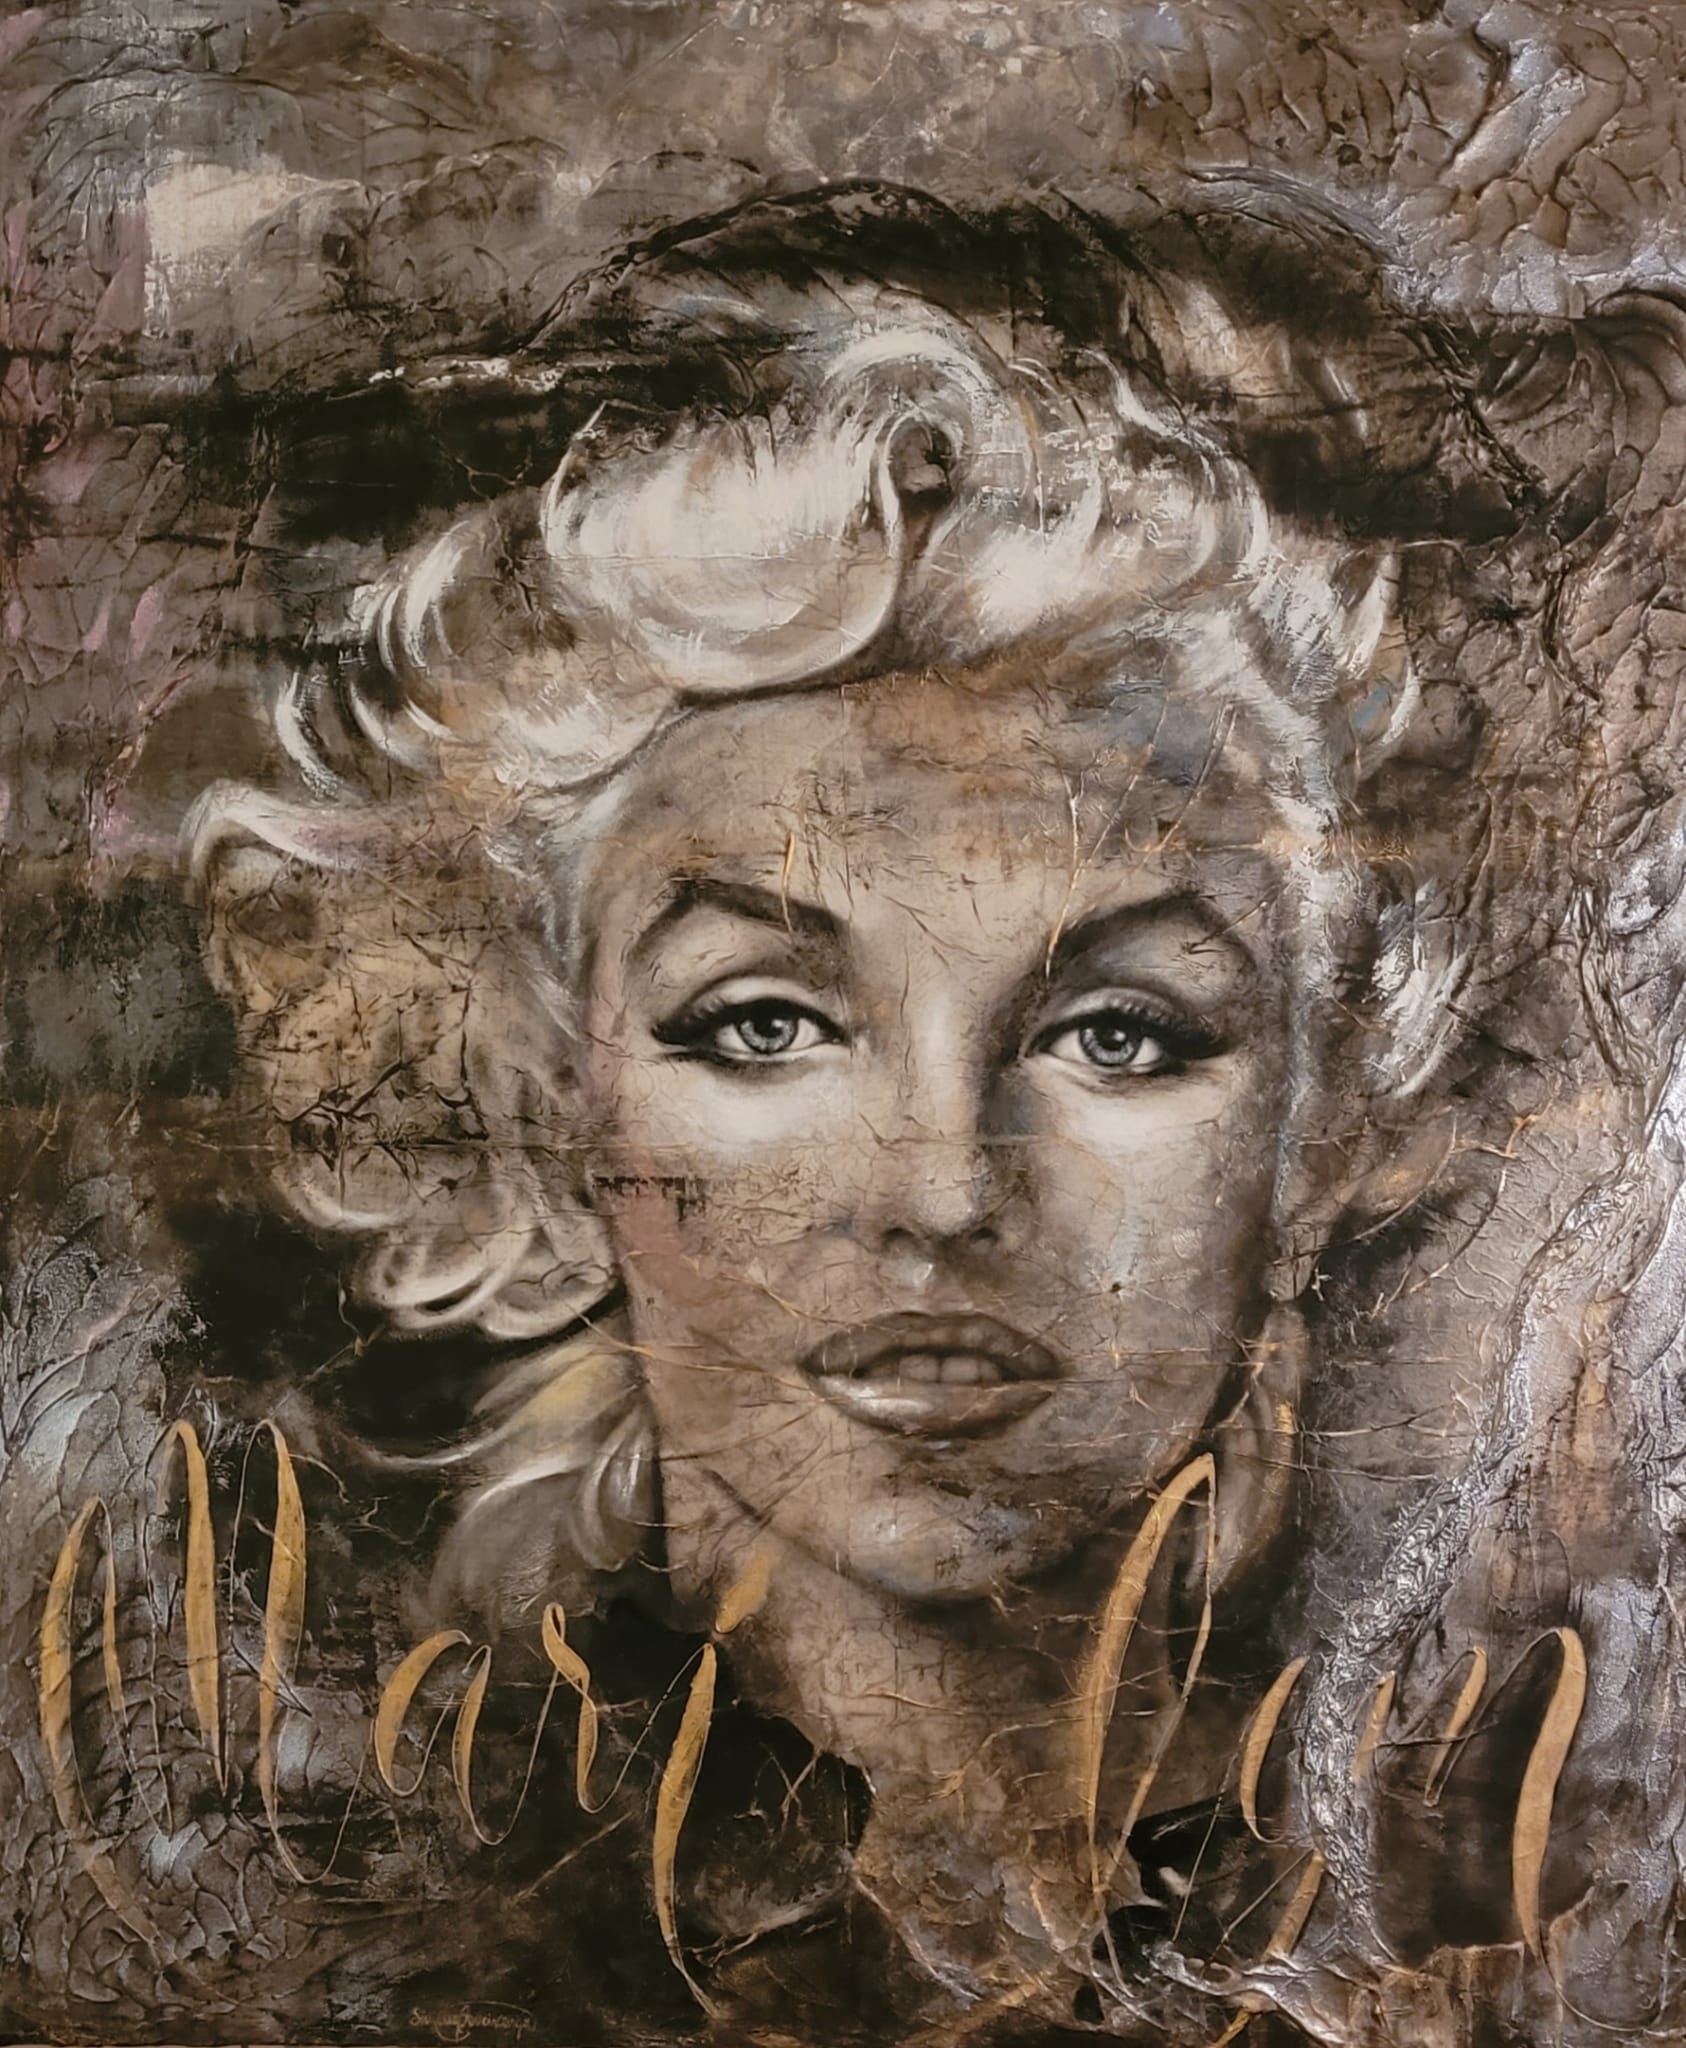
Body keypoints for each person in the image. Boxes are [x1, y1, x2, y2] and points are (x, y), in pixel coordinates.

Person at [185, 181, 1571, 2042]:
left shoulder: (1519, 1908)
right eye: (762, 1023)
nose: (939, 1189)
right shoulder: (328, 1913)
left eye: (1120, 1035)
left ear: (1328, 1137)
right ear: (543, 1106)